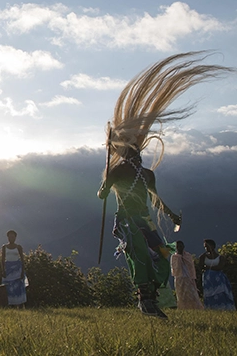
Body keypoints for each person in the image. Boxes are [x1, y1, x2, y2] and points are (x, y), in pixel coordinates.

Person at [97, 52, 232, 319]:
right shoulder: (118, 171)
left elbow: (154, 198)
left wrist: (170, 214)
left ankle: (147, 299)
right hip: (126, 220)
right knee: (141, 256)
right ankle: (146, 301)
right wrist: (105, 187)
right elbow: (102, 195)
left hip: (145, 220)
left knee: (160, 258)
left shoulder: (145, 174)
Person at [200, 239, 235, 310]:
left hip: (218, 279)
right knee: (209, 295)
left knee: (220, 293)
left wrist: (208, 267)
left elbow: (220, 267)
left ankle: (222, 308)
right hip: (208, 280)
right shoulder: (204, 257)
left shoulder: (220, 257)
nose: (206, 248)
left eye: (207, 246)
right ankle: (211, 308)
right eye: (205, 247)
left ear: (213, 246)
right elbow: (200, 266)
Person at [170, 240, 203, 310]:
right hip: (180, 278)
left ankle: (195, 308)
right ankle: (183, 308)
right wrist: (179, 258)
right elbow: (174, 268)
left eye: (181, 246)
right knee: (182, 294)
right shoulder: (174, 257)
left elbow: (191, 266)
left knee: (192, 294)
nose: (180, 248)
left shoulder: (188, 256)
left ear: (184, 246)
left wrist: (192, 277)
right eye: (178, 246)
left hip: (188, 278)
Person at [1, 230, 27, 308]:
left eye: (12, 237)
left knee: (19, 286)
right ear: (7, 238)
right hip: (8, 268)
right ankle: (11, 305)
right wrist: (3, 270)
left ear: (15, 238)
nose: (11, 238)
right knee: (9, 287)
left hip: (17, 269)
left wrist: (22, 271)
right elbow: (2, 260)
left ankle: (20, 304)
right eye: (9, 237)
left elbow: (22, 260)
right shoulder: (4, 247)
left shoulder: (18, 247)